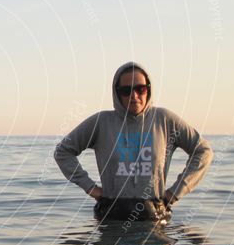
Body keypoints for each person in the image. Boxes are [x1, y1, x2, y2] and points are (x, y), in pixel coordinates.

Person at [55, 62, 213, 222]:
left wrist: (174, 193)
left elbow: (203, 151)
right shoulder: (101, 123)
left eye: (140, 89)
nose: (134, 95)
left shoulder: (165, 121)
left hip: (154, 219)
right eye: (126, 91)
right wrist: (91, 188)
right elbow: (63, 152)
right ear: (117, 93)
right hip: (111, 218)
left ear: (148, 89)